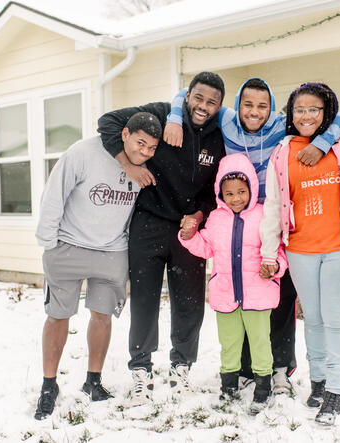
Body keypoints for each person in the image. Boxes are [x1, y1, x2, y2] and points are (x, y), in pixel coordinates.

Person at [163, 78, 340, 394]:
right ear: (237, 105)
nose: (254, 112)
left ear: (271, 109)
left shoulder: (281, 123)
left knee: (280, 297)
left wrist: (321, 143)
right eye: (248, 104)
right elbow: (184, 93)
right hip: (236, 216)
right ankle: (248, 369)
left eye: (262, 106)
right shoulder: (226, 119)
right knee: (242, 297)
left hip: (274, 218)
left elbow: (338, 118)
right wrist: (173, 118)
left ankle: (279, 369)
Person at [259, 82, 340, 426]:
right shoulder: (282, 151)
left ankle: (335, 389)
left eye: (313, 109)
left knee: (334, 318)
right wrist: (270, 250)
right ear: (291, 114)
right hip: (300, 248)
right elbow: (273, 205)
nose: (305, 116)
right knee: (313, 318)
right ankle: (317, 380)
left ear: (326, 112)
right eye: (299, 109)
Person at [97, 72, 226, 406]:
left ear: (220, 106)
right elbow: (108, 122)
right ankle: (141, 371)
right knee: (144, 299)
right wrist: (128, 165)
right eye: (198, 97)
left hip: (189, 229)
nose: (203, 106)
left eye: (212, 102)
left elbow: (216, 191)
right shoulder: (159, 114)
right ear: (186, 96)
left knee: (190, 303)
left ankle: (181, 368)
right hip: (149, 222)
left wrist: (199, 216)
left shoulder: (219, 137)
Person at [33, 112, 162, 420]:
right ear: (125, 134)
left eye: (151, 147)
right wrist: (49, 242)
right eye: (140, 143)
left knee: (103, 316)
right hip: (69, 246)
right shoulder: (83, 152)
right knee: (58, 315)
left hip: (112, 251)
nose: (144, 152)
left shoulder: (146, 166)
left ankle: (93, 381)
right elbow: (55, 194)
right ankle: (49, 385)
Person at [178, 153, 287, 415]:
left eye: (241, 191)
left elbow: (279, 251)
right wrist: (188, 236)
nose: (236, 198)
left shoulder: (263, 216)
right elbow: (205, 248)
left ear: (252, 188)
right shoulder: (216, 219)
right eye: (229, 193)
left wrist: (274, 267)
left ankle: (263, 385)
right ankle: (228, 385)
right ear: (220, 194)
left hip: (258, 293)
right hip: (226, 294)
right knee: (229, 342)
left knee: (260, 341)